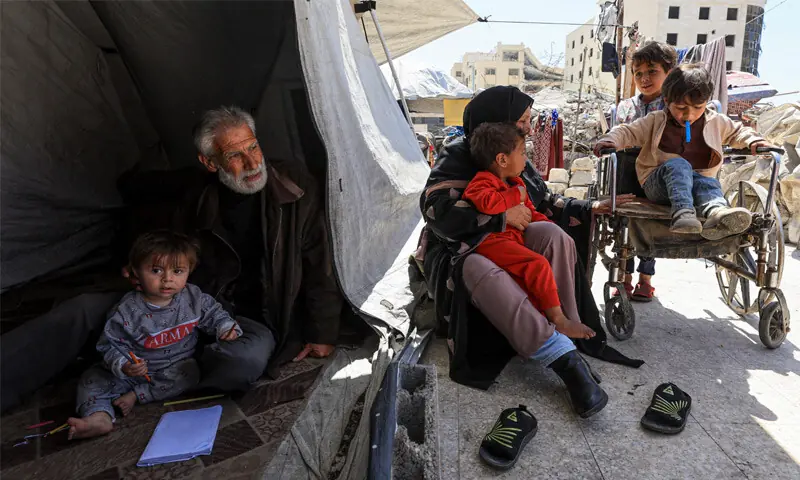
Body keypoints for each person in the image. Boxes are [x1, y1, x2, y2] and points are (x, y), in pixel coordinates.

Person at [0, 106, 343, 413]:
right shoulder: (194, 195)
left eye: (253, 147)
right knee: (80, 310)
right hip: (175, 300)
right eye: (235, 155)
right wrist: (139, 269)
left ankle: (149, 366)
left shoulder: (292, 186)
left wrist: (322, 330)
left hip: (250, 316)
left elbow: (319, 261)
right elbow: (151, 213)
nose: (253, 164)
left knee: (243, 363)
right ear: (211, 163)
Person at [418, 86, 643, 419]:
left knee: (554, 235)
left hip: (507, 240)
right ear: (498, 124)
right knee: (481, 268)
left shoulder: (515, 156)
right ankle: (565, 360)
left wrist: (588, 207)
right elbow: (438, 214)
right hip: (460, 248)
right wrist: (498, 218)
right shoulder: (458, 155)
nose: (527, 127)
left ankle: (566, 323)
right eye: (521, 121)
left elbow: (543, 203)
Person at [68, 231, 243, 439]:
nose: (167, 279)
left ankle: (138, 396)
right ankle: (98, 417)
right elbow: (108, 346)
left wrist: (225, 327)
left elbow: (213, 314)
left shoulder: (193, 298)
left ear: (190, 271)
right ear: (135, 272)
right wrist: (124, 365)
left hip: (174, 369)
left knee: (189, 372)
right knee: (91, 379)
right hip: (133, 373)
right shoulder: (126, 311)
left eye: (178, 271)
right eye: (156, 270)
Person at [596, 64, 772, 240]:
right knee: (678, 164)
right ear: (666, 101)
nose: (689, 115)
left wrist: (754, 140)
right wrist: (609, 140)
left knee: (707, 183)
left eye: (698, 107)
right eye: (681, 108)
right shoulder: (656, 120)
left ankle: (718, 214)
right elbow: (627, 131)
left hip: (696, 183)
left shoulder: (716, 121)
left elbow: (739, 132)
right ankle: (683, 214)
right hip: (658, 186)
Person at [463, 122, 595, 340]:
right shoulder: (483, 181)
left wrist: (550, 226)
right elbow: (487, 203)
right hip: (492, 242)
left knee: (533, 275)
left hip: (512, 241)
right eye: (523, 153)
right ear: (502, 159)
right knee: (538, 266)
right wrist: (517, 196)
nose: (527, 159)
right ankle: (560, 321)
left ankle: (544, 321)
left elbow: (532, 213)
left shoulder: (515, 182)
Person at [613, 41, 678, 301]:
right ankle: (626, 275)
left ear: (669, 73)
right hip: (629, 174)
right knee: (626, 222)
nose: (644, 78)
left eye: (652, 71)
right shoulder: (626, 107)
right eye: (638, 73)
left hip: (658, 176)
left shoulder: (677, 106)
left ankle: (645, 278)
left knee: (649, 224)